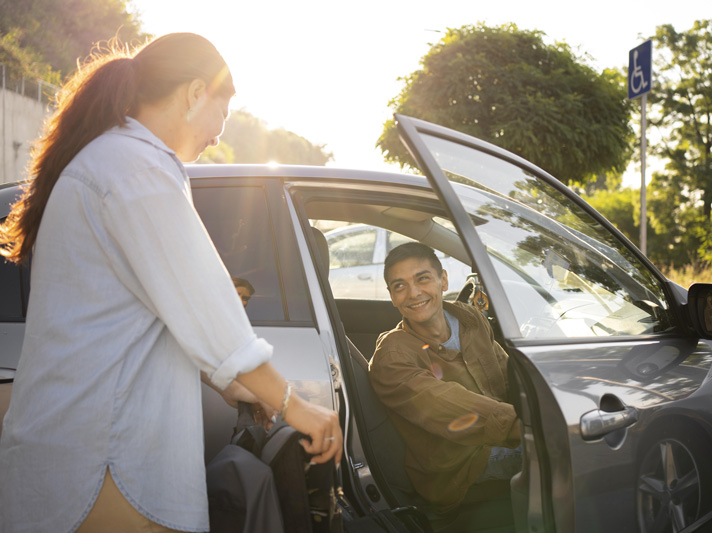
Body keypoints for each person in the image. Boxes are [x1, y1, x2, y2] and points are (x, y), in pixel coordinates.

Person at [0, 33, 341, 533]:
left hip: (86, 447)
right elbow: (209, 305)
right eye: (221, 116)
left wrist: (227, 383)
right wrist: (293, 403)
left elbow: (155, 313)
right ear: (194, 92)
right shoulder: (137, 167)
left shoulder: (110, 160)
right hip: (107, 456)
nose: (217, 136)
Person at [369, 242, 521, 509]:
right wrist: (527, 427)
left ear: (444, 280)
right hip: (461, 464)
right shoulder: (392, 356)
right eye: (400, 286)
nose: (413, 293)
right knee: (562, 452)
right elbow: (449, 404)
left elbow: (507, 375)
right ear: (392, 297)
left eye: (423, 279)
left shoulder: (470, 320)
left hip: (504, 430)